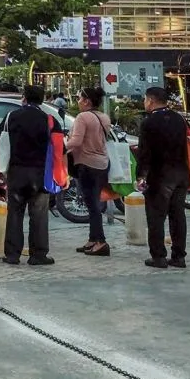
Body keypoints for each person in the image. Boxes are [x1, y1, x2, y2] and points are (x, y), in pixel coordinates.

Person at [0, 84, 58, 266]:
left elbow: (1, 144)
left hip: (17, 172)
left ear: (24, 97)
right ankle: (38, 255)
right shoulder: (50, 120)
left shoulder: (11, 117)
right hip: (40, 174)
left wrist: (3, 170)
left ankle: (12, 255)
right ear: (41, 100)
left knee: (14, 213)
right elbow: (57, 149)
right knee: (39, 215)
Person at [137, 85, 190, 269]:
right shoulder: (179, 119)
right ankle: (179, 256)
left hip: (159, 175)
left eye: (145, 99)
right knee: (177, 215)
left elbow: (145, 153)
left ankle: (158, 256)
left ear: (151, 100)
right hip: (181, 173)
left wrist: (140, 176)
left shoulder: (148, 123)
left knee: (156, 216)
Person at [67, 88, 112, 257]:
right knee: (94, 203)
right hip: (102, 164)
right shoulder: (104, 117)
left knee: (92, 205)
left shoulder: (82, 117)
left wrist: (60, 148)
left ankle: (100, 241)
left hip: (87, 164)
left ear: (86, 101)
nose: (77, 101)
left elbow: (76, 141)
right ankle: (93, 239)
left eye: (79, 98)